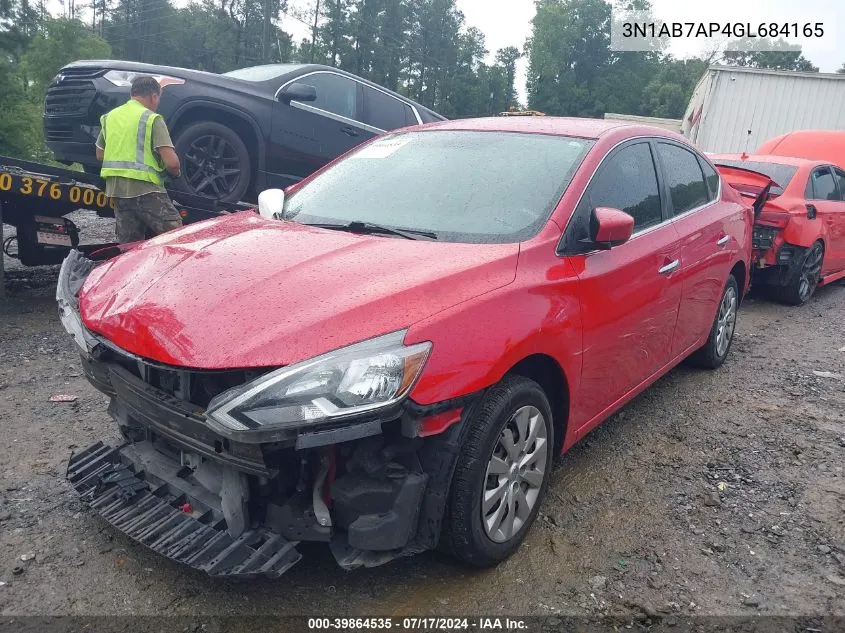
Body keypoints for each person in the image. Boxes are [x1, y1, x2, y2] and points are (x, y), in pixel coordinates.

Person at [95, 75, 183, 243]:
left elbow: (100, 154)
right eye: (158, 99)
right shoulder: (151, 119)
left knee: (130, 246)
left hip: (117, 190)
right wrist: (175, 174)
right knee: (176, 238)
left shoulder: (110, 117)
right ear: (154, 96)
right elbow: (172, 163)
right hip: (146, 189)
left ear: (133, 94)